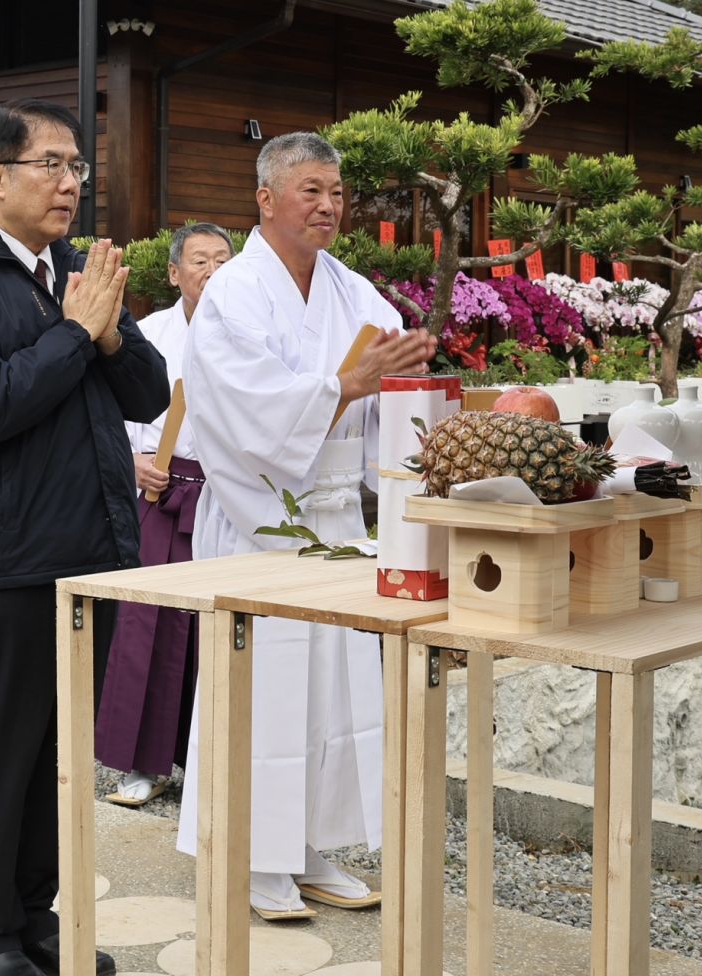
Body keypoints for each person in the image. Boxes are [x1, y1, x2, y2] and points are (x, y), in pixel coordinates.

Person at [0, 98, 170, 976]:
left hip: (88, 549)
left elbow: (147, 394)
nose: (69, 184)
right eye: (50, 165)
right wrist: (72, 333)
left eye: (75, 167)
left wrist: (99, 330)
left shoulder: (73, 272)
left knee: (59, 754)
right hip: (6, 557)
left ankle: (32, 913)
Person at [174, 132, 438, 920]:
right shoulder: (232, 293)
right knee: (262, 695)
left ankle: (311, 843)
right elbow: (241, 411)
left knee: (335, 696)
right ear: (266, 198)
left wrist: (402, 384)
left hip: (335, 523)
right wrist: (341, 386)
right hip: (258, 517)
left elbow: (388, 386)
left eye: (337, 192)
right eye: (311, 190)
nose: (329, 207)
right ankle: (250, 856)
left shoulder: (356, 292)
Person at [96, 222, 233, 808]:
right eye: (199, 261)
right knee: (146, 625)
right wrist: (132, 462)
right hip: (162, 491)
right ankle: (141, 766)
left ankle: (215, 763)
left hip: (232, 496)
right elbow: (110, 416)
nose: (211, 270)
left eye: (222, 259)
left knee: (218, 629)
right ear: (174, 273)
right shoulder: (145, 334)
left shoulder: (253, 333)